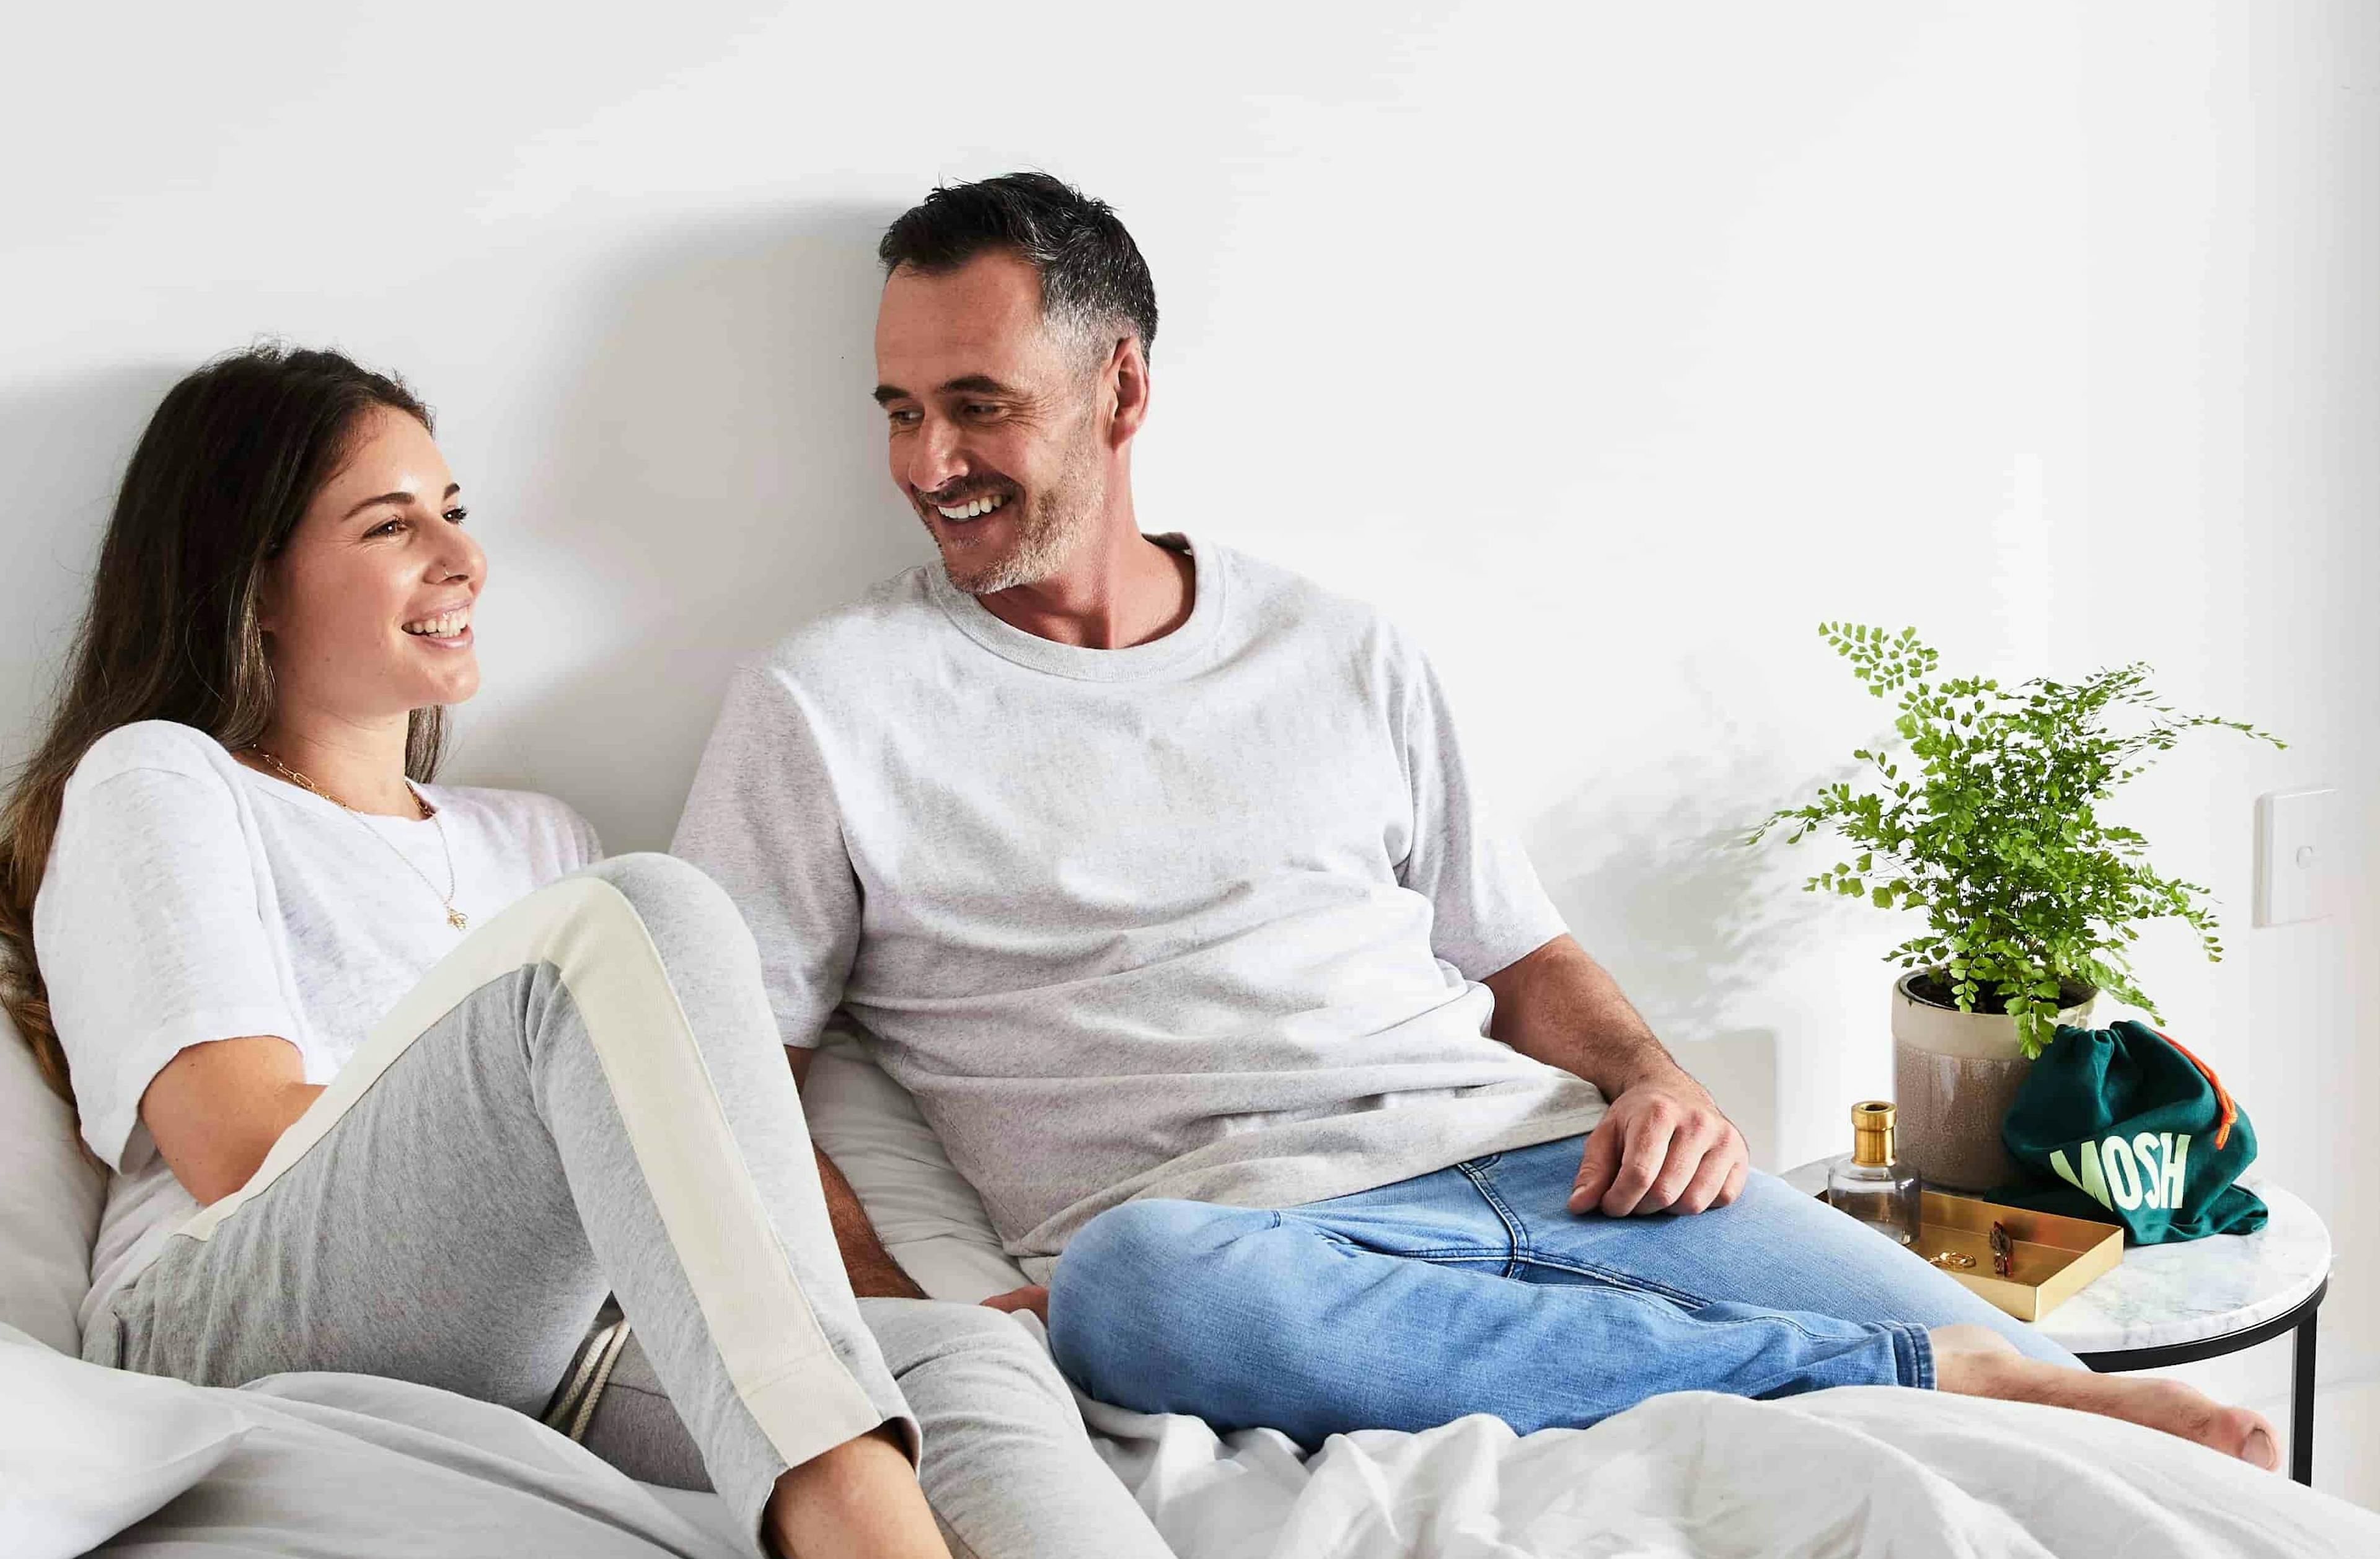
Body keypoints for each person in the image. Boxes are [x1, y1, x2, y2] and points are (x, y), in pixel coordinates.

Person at [671, 172, 2280, 1473]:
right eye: (897, 410)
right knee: (1129, 1290)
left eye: (975, 405)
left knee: (2131, 1451)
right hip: (1249, 1250)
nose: (927, 461)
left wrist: (1656, 1081)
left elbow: (1514, 948)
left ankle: (1951, 1369)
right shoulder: (830, 702)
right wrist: (910, 1314)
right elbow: (731, 1070)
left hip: (1551, 1165)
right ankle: (1909, 1373)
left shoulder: (1337, 648)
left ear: (1123, 387)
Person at [0, 345, 1170, 1559]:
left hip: (545, 1322)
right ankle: (855, 1529)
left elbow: (705, 1138)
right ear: (255, 579)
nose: (463, 558)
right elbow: (234, 1141)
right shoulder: (161, 776)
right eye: (390, 526)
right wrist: (566, 1105)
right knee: (644, 916)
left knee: (962, 1364)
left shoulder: (536, 836)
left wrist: (882, 1297)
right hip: (229, 1307)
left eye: (454, 512)